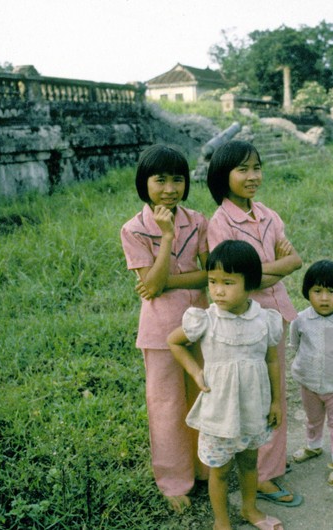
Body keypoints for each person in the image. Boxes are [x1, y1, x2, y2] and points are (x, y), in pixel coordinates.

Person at [206, 140, 303, 507]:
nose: (253, 176)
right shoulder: (220, 223)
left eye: (257, 168)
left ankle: (271, 466)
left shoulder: (268, 214)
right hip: (243, 324)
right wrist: (277, 268)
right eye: (243, 169)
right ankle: (261, 477)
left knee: (276, 391)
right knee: (258, 395)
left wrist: (270, 269)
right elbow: (237, 280)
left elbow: (295, 258)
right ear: (223, 175)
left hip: (274, 315)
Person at [167, 240, 285, 530]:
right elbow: (174, 341)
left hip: (252, 409)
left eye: (228, 282)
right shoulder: (204, 320)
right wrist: (195, 372)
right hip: (219, 414)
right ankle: (221, 522)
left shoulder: (265, 321)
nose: (218, 290)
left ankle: (250, 509)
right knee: (219, 471)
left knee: (248, 464)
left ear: (250, 284)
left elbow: (272, 361)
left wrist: (277, 401)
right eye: (212, 282)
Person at [119, 144, 209, 513]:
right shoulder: (134, 229)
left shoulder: (199, 221)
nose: (170, 188)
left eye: (177, 179)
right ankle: (174, 480)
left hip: (202, 324)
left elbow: (210, 273)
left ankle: (206, 468)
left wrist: (167, 282)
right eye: (160, 180)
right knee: (167, 404)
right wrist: (167, 236)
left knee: (203, 396)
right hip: (159, 331)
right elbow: (150, 284)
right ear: (145, 183)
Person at [288, 260, 333, 486]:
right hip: (308, 383)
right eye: (317, 291)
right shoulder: (300, 319)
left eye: (331, 291)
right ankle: (313, 446)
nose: (324, 298)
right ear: (307, 292)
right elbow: (294, 344)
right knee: (313, 419)